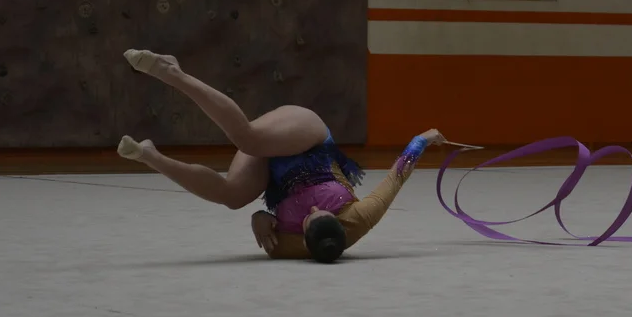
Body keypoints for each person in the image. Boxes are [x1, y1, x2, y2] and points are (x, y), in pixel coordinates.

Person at [115, 49, 445, 262]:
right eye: (324, 211)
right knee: (249, 139)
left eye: (309, 217)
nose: (313, 208)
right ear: (340, 224)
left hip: (273, 164)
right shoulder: (359, 219)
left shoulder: (292, 247)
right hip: (308, 136)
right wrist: (422, 140)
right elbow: (396, 177)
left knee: (232, 196)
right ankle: (173, 71)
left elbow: (263, 223)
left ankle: (149, 155)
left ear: (304, 238)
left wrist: (259, 218)